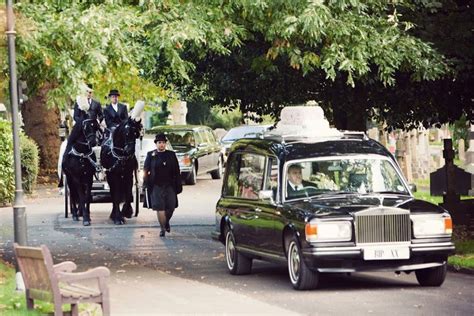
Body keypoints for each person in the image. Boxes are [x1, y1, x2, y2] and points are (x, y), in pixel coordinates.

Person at [143, 133, 182, 237]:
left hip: (170, 185)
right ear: (156, 144)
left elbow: (177, 170)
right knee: (160, 207)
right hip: (156, 185)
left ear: (166, 144)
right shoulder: (151, 155)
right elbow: (146, 170)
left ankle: (166, 222)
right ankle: (162, 229)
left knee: (171, 207)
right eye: (159, 143)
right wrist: (145, 182)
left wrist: (179, 184)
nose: (161, 145)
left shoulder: (171, 154)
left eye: (163, 143)